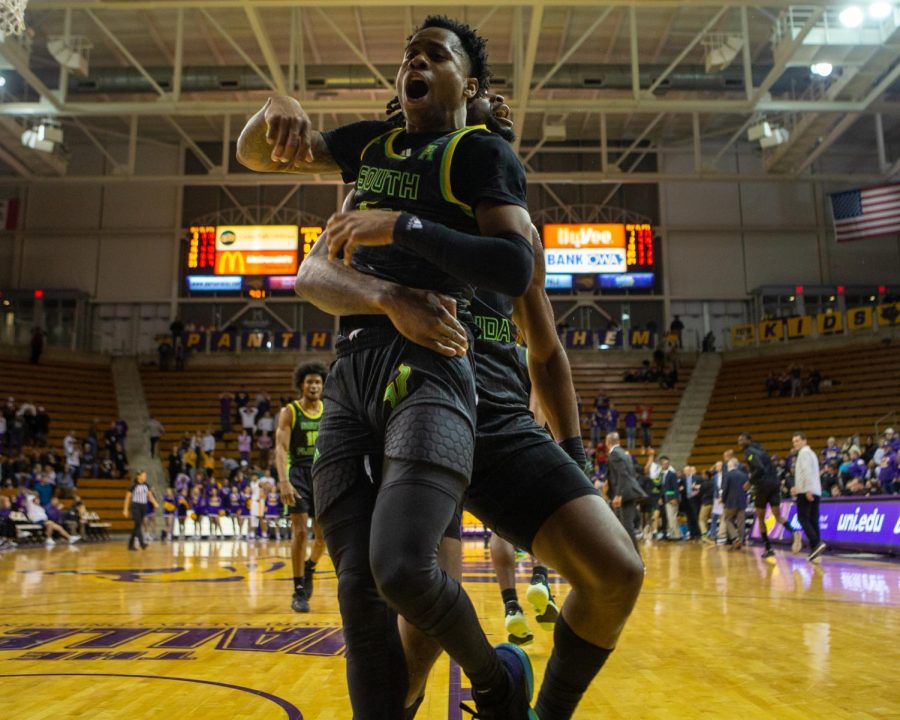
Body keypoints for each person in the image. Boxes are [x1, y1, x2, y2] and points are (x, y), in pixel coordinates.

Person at [292, 88, 643, 720]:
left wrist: (573, 454)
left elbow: (546, 354)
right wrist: (385, 295)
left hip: (499, 422)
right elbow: (316, 273)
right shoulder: (381, 193)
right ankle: (476, 685)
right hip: (414, 405)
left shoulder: (514, 229)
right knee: (411, 646)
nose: (500, 106)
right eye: (486, 95)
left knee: (617, 571)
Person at [242, 16, 540, 719]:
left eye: (436, 55)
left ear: (468, 86)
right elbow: (260, 154)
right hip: (354, 373)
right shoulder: (368, 151)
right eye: (410, 54)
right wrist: (274, 107)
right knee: (356, 592)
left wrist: (403, 231)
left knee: (403, 569)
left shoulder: (480, 155)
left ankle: (497, 682)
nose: (416, 61)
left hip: (434, 367)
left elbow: (516, 266)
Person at [276, 362, 329, 614]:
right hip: (297, 474)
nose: (314, 385)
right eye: (309, 382)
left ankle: (309, 567)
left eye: (317, 382)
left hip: (323, 475)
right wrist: (283, 480)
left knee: (323, 536)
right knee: (299, 532)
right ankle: (298, 590)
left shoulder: (328, 411)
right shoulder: (290, 412)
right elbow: (280, 448)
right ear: (301, 384)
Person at [737, 432, 794, 559]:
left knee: (760, 517)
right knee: (777, 515)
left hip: (762, 486)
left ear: (749, 440)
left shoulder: (749, 452)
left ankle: (768, 547)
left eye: (742, 439)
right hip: (774, 484)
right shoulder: (762, 450)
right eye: (738, 440)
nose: (739, 442)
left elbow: (759, 469)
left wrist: (749, 482)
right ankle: (795, 534)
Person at [605, 432, 646, 553]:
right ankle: (623, 556)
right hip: (628, 493)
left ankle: (637, 560)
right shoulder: (624, 453)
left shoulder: (614, 454)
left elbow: (623, 475)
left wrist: (618, 495)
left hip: (624, 495)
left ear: (608, 442)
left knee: (626, 527)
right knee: (620, 526)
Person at [791, 432, 826, 561]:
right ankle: (815, 550)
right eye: (794, 441)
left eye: (798, 441)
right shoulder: (811, 453)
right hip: (815, 490)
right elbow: (810, 473)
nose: (795, 443)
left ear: (805, 441)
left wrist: (806, 489)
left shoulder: (804, 453)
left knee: (802, 518)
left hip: (807, 491)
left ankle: (816, 543)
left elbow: (806, 472)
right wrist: (798, 486)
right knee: (813, 520)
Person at [123, 470, 158, 551]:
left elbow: (150, 496)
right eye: (144, 475)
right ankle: (142, 543)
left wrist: (155, 503)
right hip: (135, 506)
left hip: (143, 506)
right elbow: (128, 498)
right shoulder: (133, 486)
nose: (145, 477)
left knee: (137, 525)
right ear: (138, 476)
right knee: (138, 523)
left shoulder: (146, 485)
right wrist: (125, 509)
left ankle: (130, 545)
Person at [720, 459, 748, 550]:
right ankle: (741, 540)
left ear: (730, 465)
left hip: (731, 501)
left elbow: (725, 489)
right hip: (742, 501)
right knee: (741, 522)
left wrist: (723, 499)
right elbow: (747, 488)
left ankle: (735, 538)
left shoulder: (728, 475)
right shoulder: (744, 475)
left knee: (727, 519)